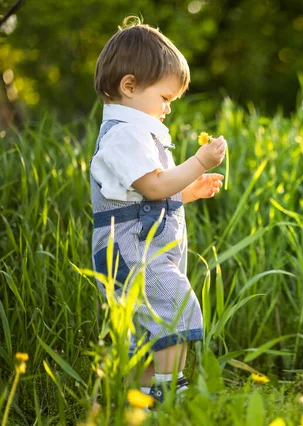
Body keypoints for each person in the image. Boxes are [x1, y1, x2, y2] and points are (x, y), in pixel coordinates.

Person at [90, 17, 227, 403]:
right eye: (165, 98)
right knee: (175, 306)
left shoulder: (139, 132)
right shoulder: (123, 135)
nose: (168, 108)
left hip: (144, 244)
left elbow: (147, 197)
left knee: (156, 321)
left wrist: (187, 191)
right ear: (129, 86)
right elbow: (152, 186)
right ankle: (170, 390)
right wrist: (198, 163)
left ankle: (138, 395)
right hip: (132, 248)